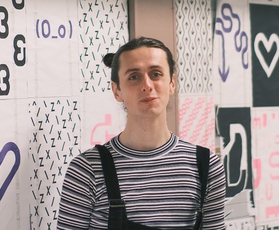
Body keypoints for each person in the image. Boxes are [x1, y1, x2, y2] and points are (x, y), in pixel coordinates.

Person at [57, 36, 226, 229]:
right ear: (116, 91)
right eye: (134, 77)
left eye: (155, 74)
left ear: (171, 83)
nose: (147, 85)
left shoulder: (206, 166)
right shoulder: (86, 170)